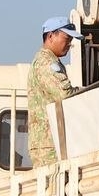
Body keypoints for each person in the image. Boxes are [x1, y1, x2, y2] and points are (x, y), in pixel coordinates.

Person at [27, 17, 77, 166]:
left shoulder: (50, 60)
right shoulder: (46, 62)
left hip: (52, 141)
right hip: (49, 144)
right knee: (54, 187)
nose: (69, 43)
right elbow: (65, 94)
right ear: (50, 36)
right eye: (66, 38)